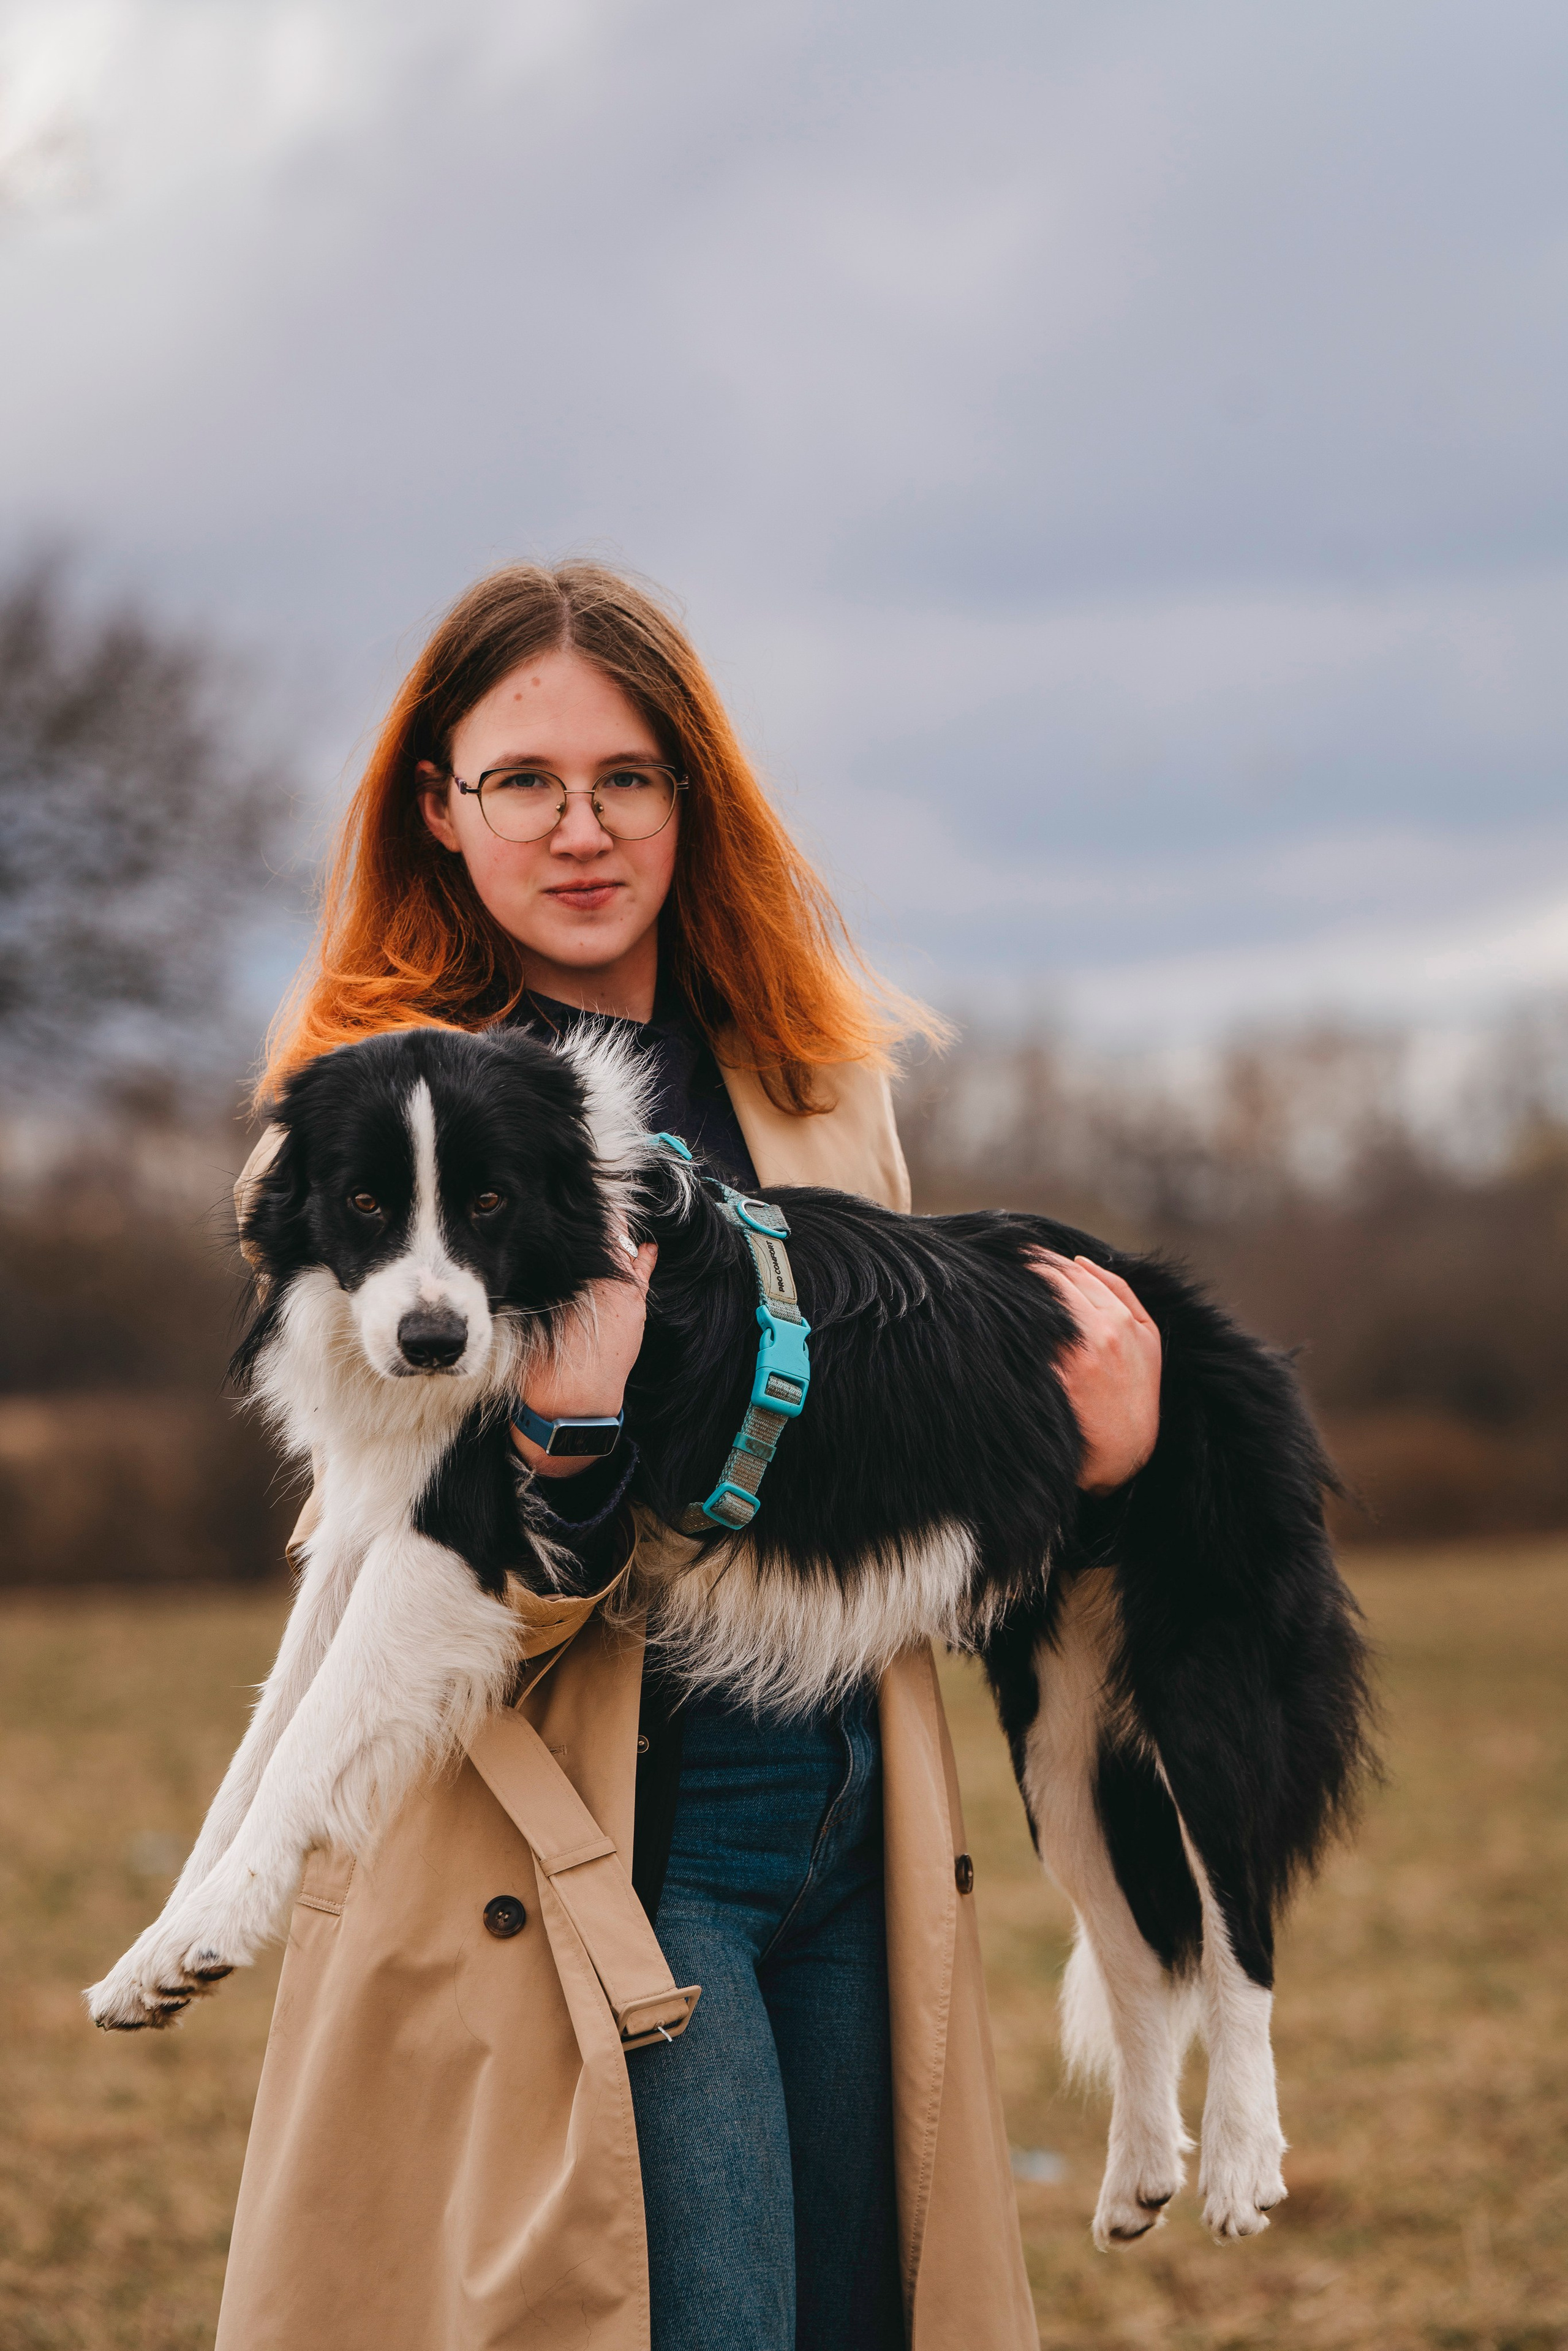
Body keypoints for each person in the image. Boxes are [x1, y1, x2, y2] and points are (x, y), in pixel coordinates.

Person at [214, 561, 1161, 2351]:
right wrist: (571, 1452)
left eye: (629, 778)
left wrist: (1084, 1450)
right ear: (441, 807)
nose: (583, 829)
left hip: (857, 1824)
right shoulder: (371, 1118)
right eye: (524, 781)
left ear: (689, 797)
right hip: (603, 1851)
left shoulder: (815, 1082)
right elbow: (382, 1560)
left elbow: (886, 1486)